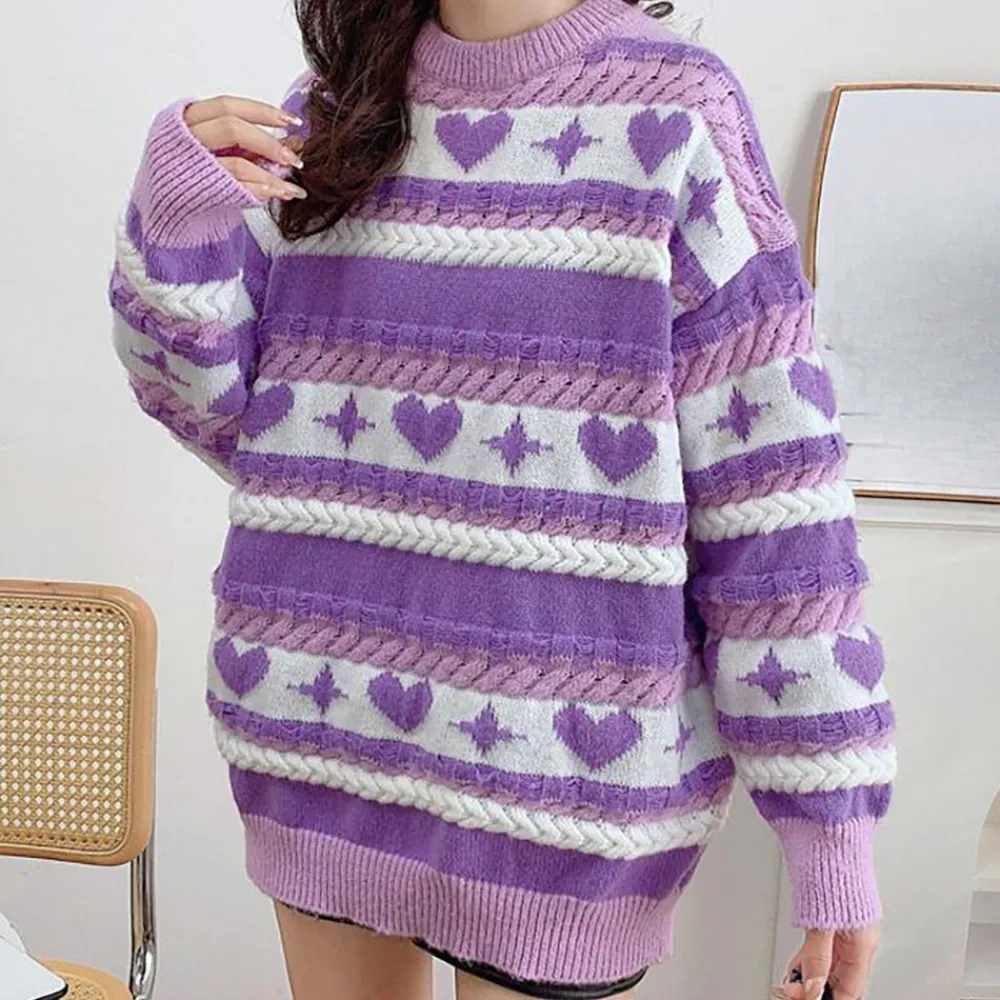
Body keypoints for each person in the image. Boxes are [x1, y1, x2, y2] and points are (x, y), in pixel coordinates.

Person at [110, 0, 895, 997]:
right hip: (323, 747)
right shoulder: (335, 110)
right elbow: (235, 424)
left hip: (563, 798)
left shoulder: (672, 113)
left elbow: (775, 491)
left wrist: (831, 829)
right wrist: (175, 223)